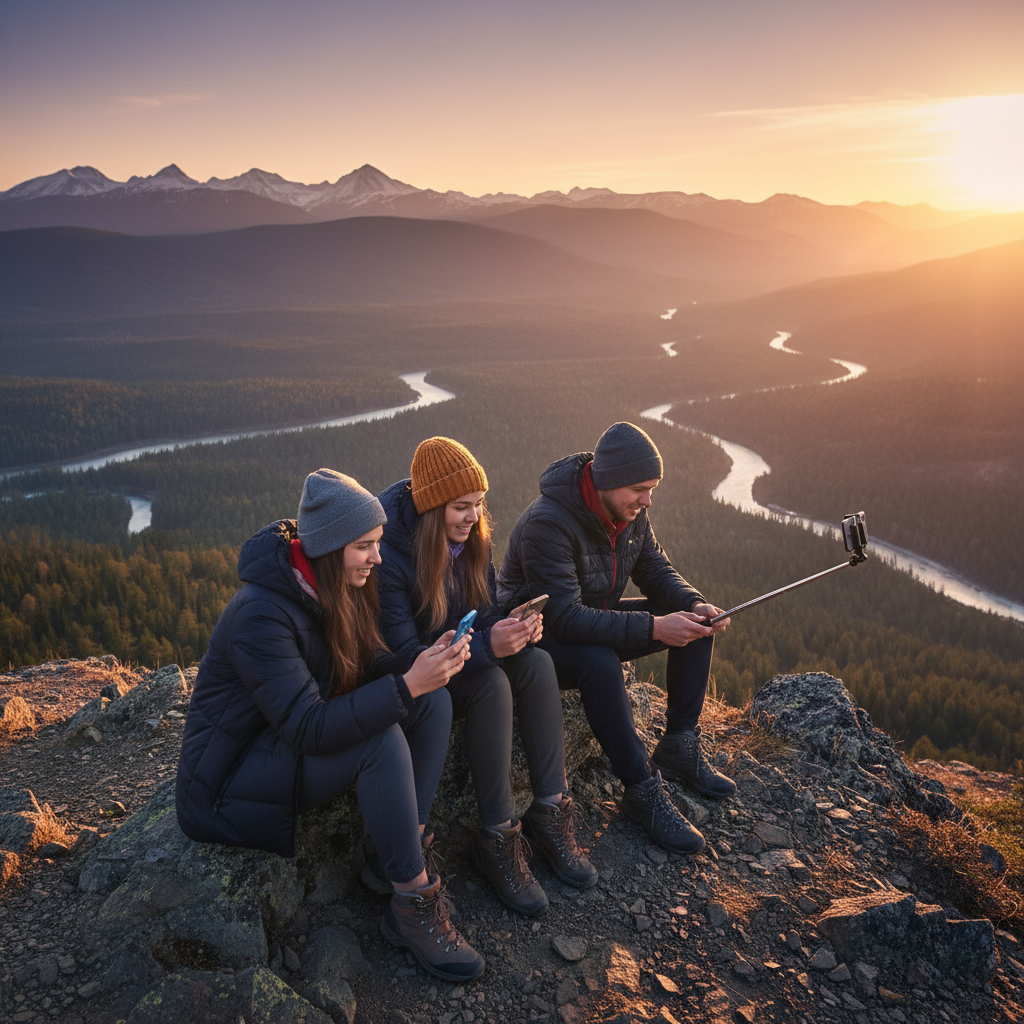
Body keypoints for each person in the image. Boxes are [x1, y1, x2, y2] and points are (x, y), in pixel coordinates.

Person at [175, 468, 484, 982]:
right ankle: (413, 902)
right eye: (365, 545)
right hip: (226, 784)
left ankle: (402, 854)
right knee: (382, 739)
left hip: (279, 743)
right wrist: (407, 684)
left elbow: (366, 666)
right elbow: (308, 728)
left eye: (379, 543)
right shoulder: (261, 615)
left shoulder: (340, 583)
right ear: (329, 546)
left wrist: (418, 667)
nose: (378, 557)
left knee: (433, 704)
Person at [376, 437, 597, 917]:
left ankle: (551, 811)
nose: (473, 517)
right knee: (493, 684)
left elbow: (485, 610)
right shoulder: (391, 555)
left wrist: (509, 624)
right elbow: (403, 653)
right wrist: (488, 646)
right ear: (433, 506)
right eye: (460, 507)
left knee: (538, 663)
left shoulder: (473, 540)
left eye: (478, 504)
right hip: (424, 672)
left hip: (462, 652)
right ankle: (499, 836)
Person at [497, 422, 735, 855]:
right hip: (535, 636)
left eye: (653, 489)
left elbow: (656, 572)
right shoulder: (547, 522)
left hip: (591, 620)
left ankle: (679, 745)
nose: (647, 500)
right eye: (640, 489)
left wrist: (694, 603)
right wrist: (656, 627)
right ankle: (641, 789)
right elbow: (565, 619)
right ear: (607, 481)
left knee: (693, 626)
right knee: (599, 662)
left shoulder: (631, 514)